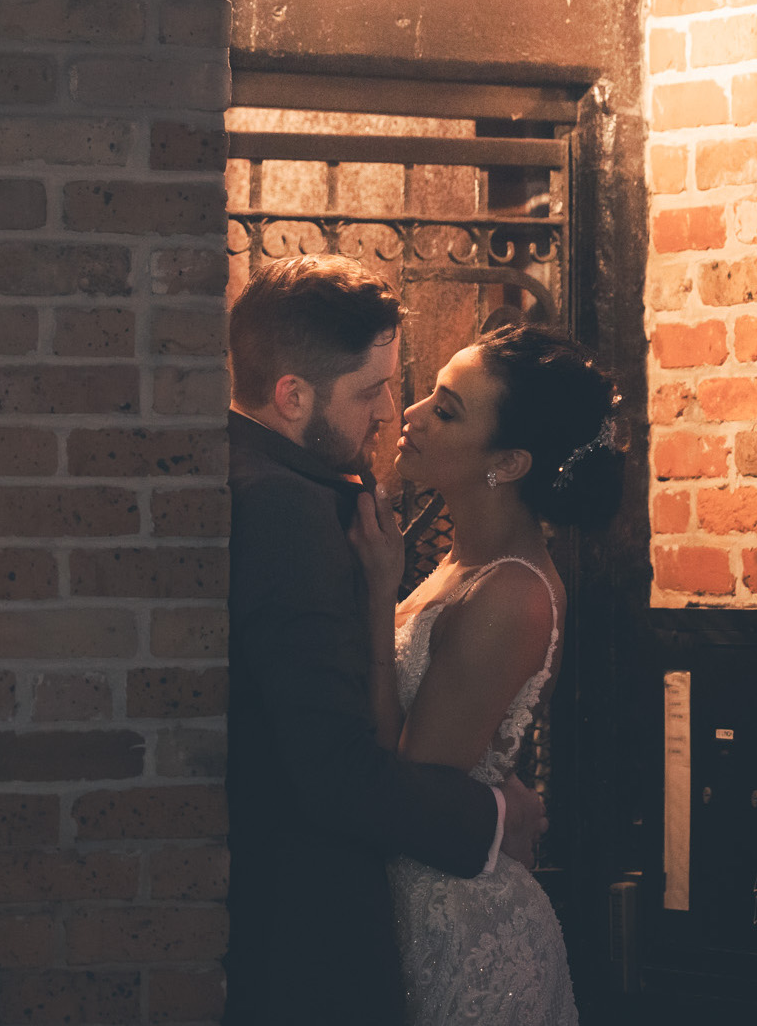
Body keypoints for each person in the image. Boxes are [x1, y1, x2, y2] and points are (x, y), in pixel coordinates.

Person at [224, 255, 546, 1026]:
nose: (390, 411)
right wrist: (497, 815)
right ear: (292, 394)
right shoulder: (286, 512)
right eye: (371, 389)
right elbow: (330, 773)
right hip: (307, 932)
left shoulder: (257, 475)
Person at [350, 322, 625, 1026]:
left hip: (462, 927)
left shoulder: (510, 591)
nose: (407, 415)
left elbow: (407, 780)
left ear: (507, 461)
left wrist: (379, 593)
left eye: (445, 409)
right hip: (411, 903)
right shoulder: (460, 562)